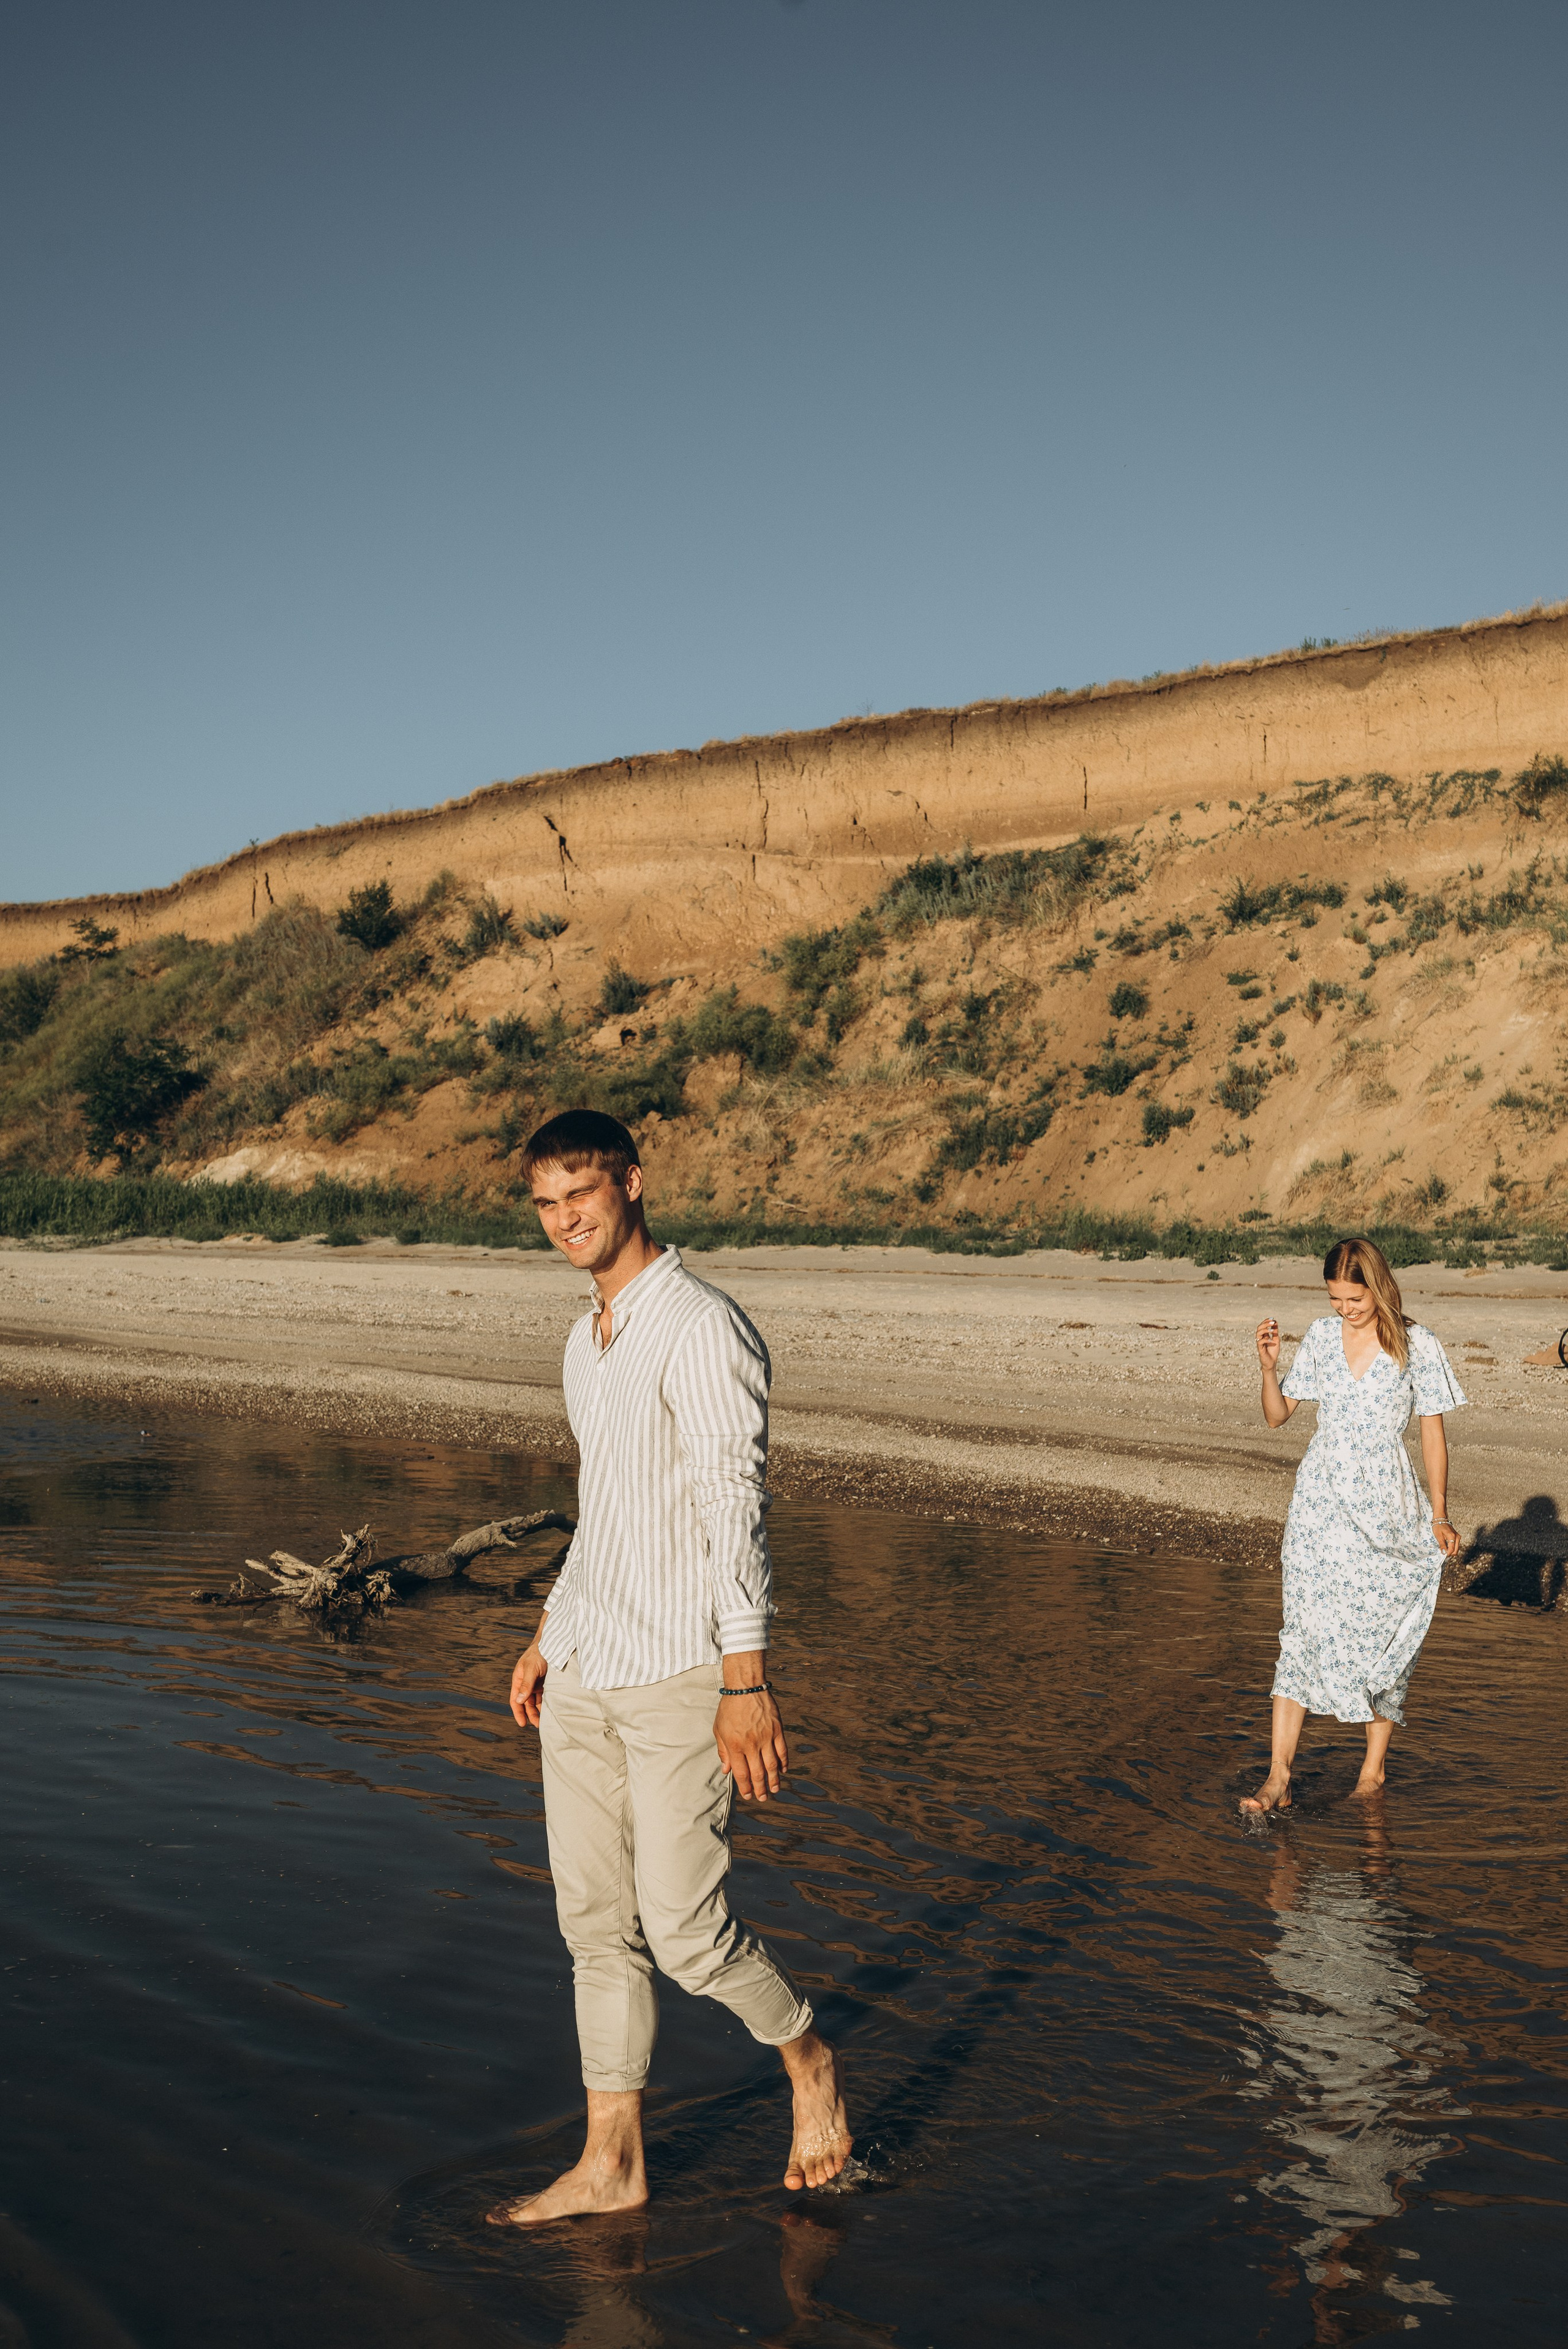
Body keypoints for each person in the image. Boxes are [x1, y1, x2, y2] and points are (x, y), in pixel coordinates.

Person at [489, 1108, 852, 2225]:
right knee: (594, 1926)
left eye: (581, 1196)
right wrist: (553, 1629)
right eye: (546, 1204)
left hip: (685, 1672)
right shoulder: (583, 1337)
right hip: (592, 1662)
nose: (564, 1221)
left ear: (633, 1185)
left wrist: (747, 1682)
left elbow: (735, 1507)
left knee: (687, 1930)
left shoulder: (701, 1326)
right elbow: (608, 1512)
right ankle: (612, 2164)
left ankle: (807, 2058)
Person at [1242, 1235, 1466, 1814]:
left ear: (1378, 1286)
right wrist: (1268, 1368)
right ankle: (1279, 1777)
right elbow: (1276, 1417)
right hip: (1320, 1506)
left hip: (1388, 1508)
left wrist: (1439, 1514)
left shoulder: (1417, 1344)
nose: (1345, 1309)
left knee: (1384, 1630)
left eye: (1354, 1299)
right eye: (1336, 1298)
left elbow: (1432, 1435)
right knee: (1302, 1630)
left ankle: (1373, 1770)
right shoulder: (1319, 1337)